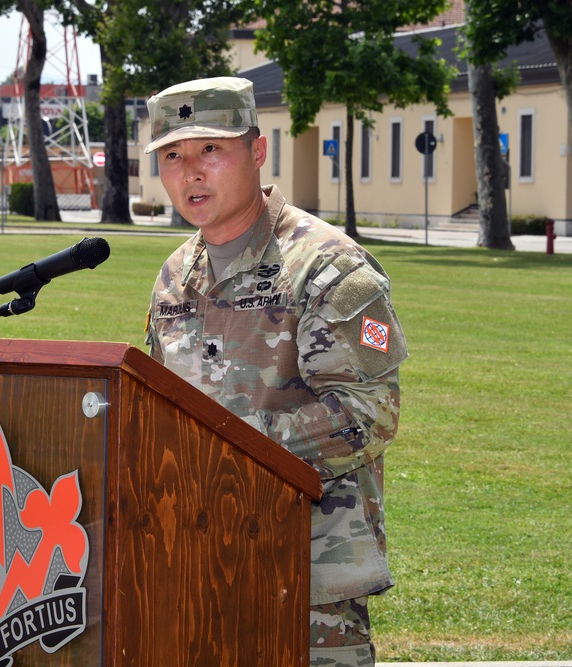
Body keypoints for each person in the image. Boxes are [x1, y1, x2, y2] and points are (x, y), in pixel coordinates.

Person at [144, 76, 408, 667]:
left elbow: (369, 414)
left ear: (257, 152)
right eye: (172, 155)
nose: (191, 171)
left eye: (210, 149)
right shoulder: (174, 276)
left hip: (307, 572)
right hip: (196, 563)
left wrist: (232, 451)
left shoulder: (328, 267)